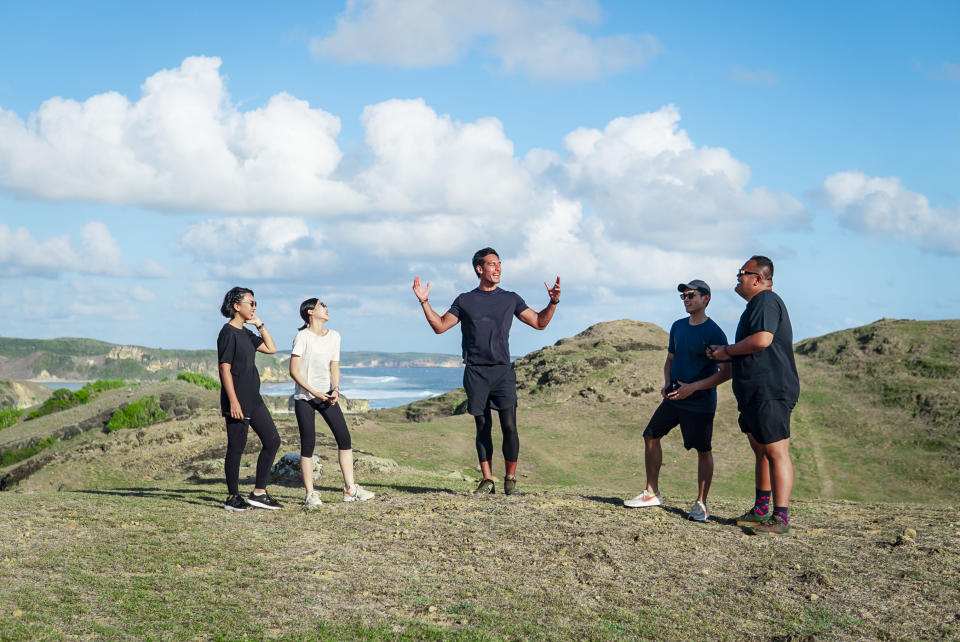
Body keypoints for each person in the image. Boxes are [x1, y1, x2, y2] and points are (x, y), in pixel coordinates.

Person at [413, 247, 561, 495]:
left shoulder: (510, 298)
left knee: (510, 426)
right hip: (475, 372)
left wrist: (553, 302)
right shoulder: (464, 300)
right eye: (492, 264)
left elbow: (539, 323)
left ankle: (510, 478)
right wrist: (424, 302)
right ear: (479, 269)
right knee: (482, 427)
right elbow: (440, 326)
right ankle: (487, 479)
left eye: (499, 263)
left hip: (502, 371)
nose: (498, 268)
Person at [707, 256, 799, 536]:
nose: (738, 278)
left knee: (775, 451)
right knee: (761, 450)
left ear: (758, 279)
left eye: (742, 273)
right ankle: (761, 510)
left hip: (771, 388)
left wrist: (727, 351)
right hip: (755, 391)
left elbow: (762, 340)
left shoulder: (765, 301)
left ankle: (780, 518)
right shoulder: (754, 306)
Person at [624, 280, 731, 521]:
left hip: (701, 402)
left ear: (706, 299)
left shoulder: (715, 332)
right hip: (674, 398)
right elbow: (670, 359)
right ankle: (652, 493)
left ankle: (701, 505)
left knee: (703, 450)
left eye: (691, 295)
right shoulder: (677, 326)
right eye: (683, 296)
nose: (686, 299)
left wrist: (693, 388)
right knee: (650, 435)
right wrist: (666, 382)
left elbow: (726, 373)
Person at [289, 297, 374, 506]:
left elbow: (334, 367)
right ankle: (310, 493)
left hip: (327, 394)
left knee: (344, 439)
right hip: (305, 397)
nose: (326, 309)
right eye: (322, 305)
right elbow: (294, 371)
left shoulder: (334, 336)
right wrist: (314, 392)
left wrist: (336, 389)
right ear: (310, 312)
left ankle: (350, 489)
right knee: (308, 444)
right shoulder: (302, 337)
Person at [217, 287, 282, 511]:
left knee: (272, 440)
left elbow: (272, 349)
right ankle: (232, 497)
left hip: (254, 398)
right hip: (237, 399)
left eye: (256, 304)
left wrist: (260, 325)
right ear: (237, 306)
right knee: (236, 447)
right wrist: (233, 401)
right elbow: (224, 369)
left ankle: (259, 493)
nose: (254, 307)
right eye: (251, 303)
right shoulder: (227, 333)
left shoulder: (246, 333)